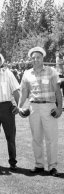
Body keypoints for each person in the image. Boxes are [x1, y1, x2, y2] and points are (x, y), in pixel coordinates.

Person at [18, 47, 63, 176]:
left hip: (49, 107)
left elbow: (58, 92)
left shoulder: (51, 71)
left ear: (43, 58)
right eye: (33, 58)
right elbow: (24, 92)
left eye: (38, 57)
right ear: (31, 59)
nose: (35, 60)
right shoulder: (27, 73)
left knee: (51, 138)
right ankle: (39, 165)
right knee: (36, 138)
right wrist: (20, 106)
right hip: (33, 108)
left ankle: (52, 166)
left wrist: (59, 108)